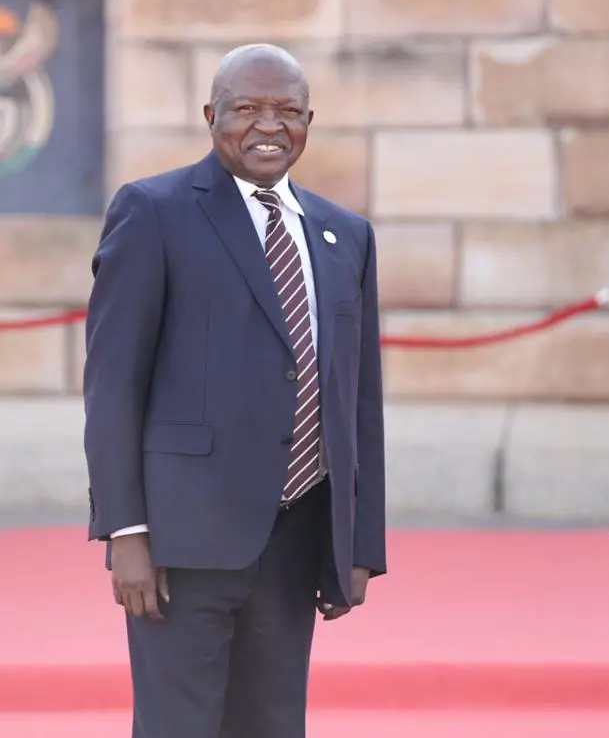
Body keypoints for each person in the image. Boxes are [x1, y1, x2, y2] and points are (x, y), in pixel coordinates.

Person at [82, 43, 387, 738]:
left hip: (296, 537)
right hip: (180, 543)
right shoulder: (153, 212)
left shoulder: (347, 235)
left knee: (274, 725)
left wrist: (359, 540)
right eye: (246, 108)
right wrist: (124, 531)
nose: (267, 126)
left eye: (286, 110)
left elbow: (357, 402)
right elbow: (113, 383)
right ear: (210, 115)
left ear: (310, 119)